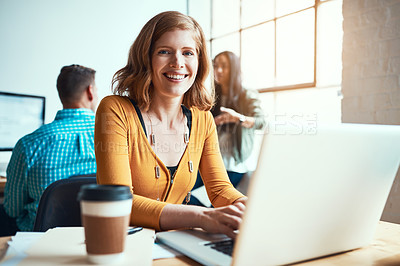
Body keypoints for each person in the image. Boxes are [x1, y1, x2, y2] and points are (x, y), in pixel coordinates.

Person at [95, 11, 246, 238]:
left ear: (199, 61)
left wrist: (251, 208)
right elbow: (119, 201)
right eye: (164, 52)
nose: (178, 63)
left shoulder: (203, 118)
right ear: (146, 58)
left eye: (188, 53)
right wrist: (203, 217)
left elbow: (219, 189)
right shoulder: (115, 110)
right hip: (127, 245)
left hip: (178, 244)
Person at [0, 64, 98, 236]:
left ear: (61, 94)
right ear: (90, 91)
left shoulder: (28, 144)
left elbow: (12, 209)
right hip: (99, 234)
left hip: (40, 241)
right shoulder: (116, 137)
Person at [189, 51, 266, 206]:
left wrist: (238, 118)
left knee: (217, 207)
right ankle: (205, 214)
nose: (218, 70)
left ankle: (208, 215)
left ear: (234, 69)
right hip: (210, 158)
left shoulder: (247, 95)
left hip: (234, 163)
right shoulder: (212, 95)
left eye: (224, 66)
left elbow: (261, 122)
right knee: (181, 193)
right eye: (216, 66)